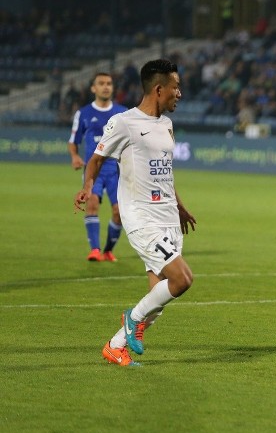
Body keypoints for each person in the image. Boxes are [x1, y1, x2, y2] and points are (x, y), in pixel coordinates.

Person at [74, 59, 197, 367]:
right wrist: (88, 186)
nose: (179, 93)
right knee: (182, 280)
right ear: (159, 89)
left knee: (160, 295)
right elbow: (96, 159)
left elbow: (164, 172)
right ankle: (132, 319)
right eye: (175, 87)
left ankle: (116, 347)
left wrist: (179, 206)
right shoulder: (124, 123)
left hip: (168, 216)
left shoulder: (167, 125)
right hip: (142, 218)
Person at [68, 72, 127, 262]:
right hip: (94, 170)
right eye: (101, 83)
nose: (106, 86)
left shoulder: (123, 113)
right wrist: (75, 156)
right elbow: (73, 140)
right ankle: (94, 249)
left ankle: (108, 250)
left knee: (119, 212)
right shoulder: (83, 113)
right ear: (93, 88)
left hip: (116, 171)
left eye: (109, 83)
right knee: (91, 204)